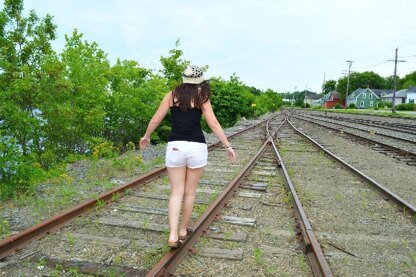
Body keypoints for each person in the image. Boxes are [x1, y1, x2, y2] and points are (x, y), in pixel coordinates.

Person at [140, 65, 237, 248]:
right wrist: (228, 146)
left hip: (175, 147)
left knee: (176, 192)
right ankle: (183, 230)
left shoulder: (172, 95)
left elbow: (155, 119)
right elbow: (214, 124)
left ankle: (172, 234)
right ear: (199, 81)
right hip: (197, 148)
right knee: (190, 192)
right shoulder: (202, 97)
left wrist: (146, 136)